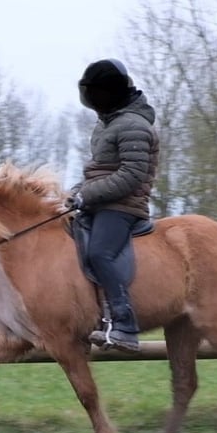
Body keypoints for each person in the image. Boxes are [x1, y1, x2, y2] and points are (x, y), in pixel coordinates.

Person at [66, 58, 159, 353]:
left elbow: (131, 175)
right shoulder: (108, 124)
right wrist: (74, 194)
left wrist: (87, 195)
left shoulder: (134, 126)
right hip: (102, 201)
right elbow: (99, 171)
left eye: (98, 95)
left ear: (112, 93)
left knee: (100, 252)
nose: (94, 101)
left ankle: (125, 324)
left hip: (124, 207)